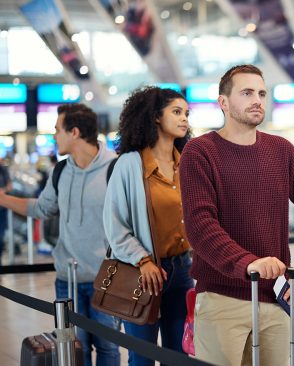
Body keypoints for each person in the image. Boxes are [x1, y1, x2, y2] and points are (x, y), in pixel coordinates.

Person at [179, 64, 294, 366]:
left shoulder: (281, 150)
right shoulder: (199, 152)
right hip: (221, 301)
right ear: (223, 102)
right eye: (247, 92)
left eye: (262, 93)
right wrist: (248, 263)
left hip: (275, 302)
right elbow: (200, 226)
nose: (257, 100)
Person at [0, 104, 120, 366]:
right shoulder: (60, 171)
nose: (54, 136)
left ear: (74, 132)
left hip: (108, 280)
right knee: (75, 349)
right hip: (68, 280)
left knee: (108, 348)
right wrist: (4, 199)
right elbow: (42, 208)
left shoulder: (116, 169)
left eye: (57, 130)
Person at [103, 86, 194, 366]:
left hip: (182, 271)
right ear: (155, 117)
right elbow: (114, 224)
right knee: (142, 357)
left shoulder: (187, 163)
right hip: (143, 275)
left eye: (186, 114)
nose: (184, 119)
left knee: (178, 355)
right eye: (176, 112)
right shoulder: (129, 165)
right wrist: (142, 260)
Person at [0, 157, 12, 265]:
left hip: (2, 208)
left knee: (0, 236)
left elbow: (9, 186)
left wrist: (2, 191)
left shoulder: (3, 170)